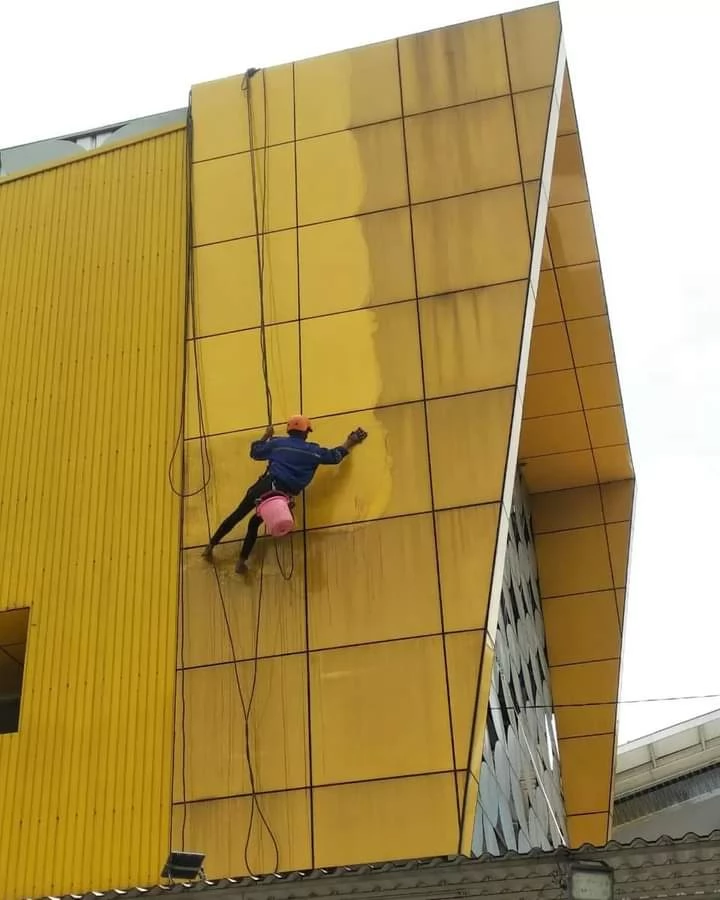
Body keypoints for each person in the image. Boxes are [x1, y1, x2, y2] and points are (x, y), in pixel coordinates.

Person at [202, 415, 367, 573]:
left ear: (289, 431)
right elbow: (334, 456)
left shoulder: (277, 443)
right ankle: (241, 562)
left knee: (237, 515)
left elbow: (255, 452)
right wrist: (350, 441)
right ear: (306, 432)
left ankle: (210, 546)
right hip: (280, 498)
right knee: (254, 523)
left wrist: (266, 435)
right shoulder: (313, 451)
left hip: (265, 486)